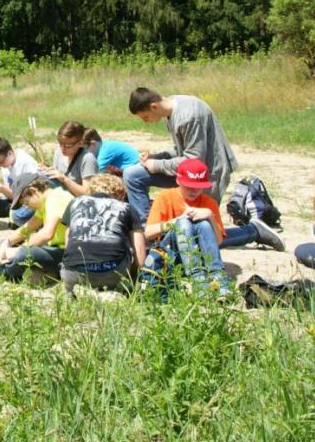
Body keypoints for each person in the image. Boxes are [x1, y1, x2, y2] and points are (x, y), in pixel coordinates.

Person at [124, 87, 239, 226]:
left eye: (145, 117)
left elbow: (194, 160)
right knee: (133, 174)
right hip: (186, 173)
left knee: (199, 229)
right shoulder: (169, 112)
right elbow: (182, 150)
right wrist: (157, 157)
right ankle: (148, 230)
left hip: (205, 175)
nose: (145, 122)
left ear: (154, 106)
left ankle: (253, 231)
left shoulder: (188, 116)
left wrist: (156, 165)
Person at [142, 158, 232, 296]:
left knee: (204, 224)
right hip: (173, 255)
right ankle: (197, 279)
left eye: (198, 187)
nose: (193, 191)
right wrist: (176, 221)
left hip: (201, 255)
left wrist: (210, 216)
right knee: (183, 223)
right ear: (178, 181)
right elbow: (148, 233)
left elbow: (218, 242)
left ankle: (217, 276)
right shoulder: (165, 197)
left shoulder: (209, 203)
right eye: (188, 186)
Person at [58, 174, 146, 296]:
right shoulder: (127, 207)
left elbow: (69, 242)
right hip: (113, 275)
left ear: (90, 191)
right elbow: (140, 253)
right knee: (124, 241)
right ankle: (121, 288)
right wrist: (136, 278)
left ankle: (78, 290)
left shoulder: (74, 203)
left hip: (73, 274)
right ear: (121, 195)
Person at [0, 172, 73, 282]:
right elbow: (26, 229)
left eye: (25, 202)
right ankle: (21, 267)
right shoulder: (45, 202)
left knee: (21, 255)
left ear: (34, 191)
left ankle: (1, 269)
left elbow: (47, 234)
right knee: (8, 245)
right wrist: (7, 242)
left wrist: (19, 249)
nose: (26, 206)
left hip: (66, 253)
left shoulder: (56, 198)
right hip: (56, 249)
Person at [0, 136, 43, 226]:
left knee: (18, 216)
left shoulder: (25, 162)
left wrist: (2, 188)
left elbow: (35, 193)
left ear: (9, 153)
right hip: (17, 199)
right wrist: (2, 190)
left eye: (1, 162)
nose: (0, 165)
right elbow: (11, 194)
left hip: (32, 198)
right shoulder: (6, 165)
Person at [40, 120, 98, 196]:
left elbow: (87, 194)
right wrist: (47, 171)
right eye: (60, 143)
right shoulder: (58, 151)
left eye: (68, 146)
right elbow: (56, 179)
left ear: (80, 143)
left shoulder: (87, 159)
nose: (62, 149)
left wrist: (65, 179)